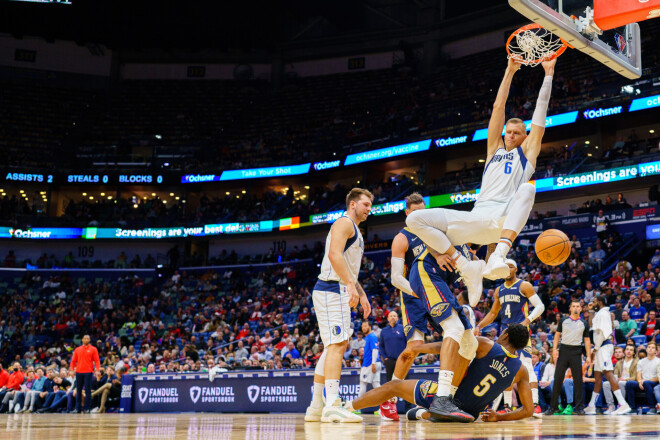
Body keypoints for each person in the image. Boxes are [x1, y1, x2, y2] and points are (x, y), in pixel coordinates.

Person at [406, 57, 557, 303]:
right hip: (477, 218)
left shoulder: (527, 153)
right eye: (508, 132)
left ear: (524, 136)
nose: (510, 136)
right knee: (415, 220)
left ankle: (499, 254)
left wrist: (548, 74)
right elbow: (498, 107)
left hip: (504, 220)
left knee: (528, 190)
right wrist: (509, 70)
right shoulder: (492, 152)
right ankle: (466, 266)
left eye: (516, 133)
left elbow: (540, 112)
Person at [343, 324, 534, 423]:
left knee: (393, 387)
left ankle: (346, 408)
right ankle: (423, 414)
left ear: (505, 336)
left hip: (448, 400)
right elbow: (528, 411)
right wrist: (498, 417)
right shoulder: (521, 371)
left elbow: (447, 347)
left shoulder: (487, 345)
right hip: (470, 416)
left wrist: (419, 349)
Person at [305, 188, 373, 423]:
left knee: (333, 346)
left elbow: (349, 268)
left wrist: (360, 293)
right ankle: (332, 403)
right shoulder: (344, 224)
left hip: (338, 287)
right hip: (332, 288)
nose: (369, 209)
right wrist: (350, 286)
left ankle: (316, 406)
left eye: (371, 206)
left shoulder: (355, 230)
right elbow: (334, 255)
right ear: (352, 204)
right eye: (365, 204)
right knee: (337, 344)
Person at [406, 244, 480, 422]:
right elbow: (426, 228)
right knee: (454, 327)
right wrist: (436, 252)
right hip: (426, 270)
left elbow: (475, 295)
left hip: (437, 279)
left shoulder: (475, 257)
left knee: (470, 344)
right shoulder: (463, 226)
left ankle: (448, 399)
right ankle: (442, 398)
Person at [475, 260, 545, 416]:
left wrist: (526, 321)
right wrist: (479, 326)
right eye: (505, 267)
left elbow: (540, 306)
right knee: (504, 368)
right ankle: (507, 406)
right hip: (505, 333)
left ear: (516, 269)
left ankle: (535, 405)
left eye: (511, 266)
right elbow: (493, 314)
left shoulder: (524, 285)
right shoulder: (499, 290)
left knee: (527, 366)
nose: (507, 269)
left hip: (520, 332)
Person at [585, 296, 632, 415]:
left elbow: (603, 334)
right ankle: (591, 406)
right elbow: (592, 325)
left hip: (604, 346)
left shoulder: (604, 313)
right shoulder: (600, 313)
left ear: (600, 302)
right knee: (597, 378)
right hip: (601, 347)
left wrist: (595, 349)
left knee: (608, 373)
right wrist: (590, 311)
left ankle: (623, 404)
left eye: (594, 302)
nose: (592, 303)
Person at [545, 299, 591, 415]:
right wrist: (555, 350)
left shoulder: (584, 323)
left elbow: (587, 340)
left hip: (576, 351)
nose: (576, 308)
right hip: (564, 350)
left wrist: (589, 356)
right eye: (574, 306)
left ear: (580, 309)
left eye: (578, 306)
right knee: (557, 379)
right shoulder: (563, 320)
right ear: (570, 308)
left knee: (578, 381)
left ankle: (579, 407)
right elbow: (557, 336)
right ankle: (553, 407)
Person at [378, 311, 406, 420]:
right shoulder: (384, 331)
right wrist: (384, 357)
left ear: (397, 318)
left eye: (394, 315)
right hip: (389, 361)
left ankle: (408, 408)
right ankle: (390, 408)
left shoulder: (403, 328)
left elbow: (408, 343)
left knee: (404, 383)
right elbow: (381, 346)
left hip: (402, 361)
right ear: (388, 318)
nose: (393, 317)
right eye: (391, 316)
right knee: (390, 384)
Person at [624, 341, 659, 413]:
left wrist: (645, 381)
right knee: (629, 383)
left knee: (647, 383)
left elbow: (658, 377)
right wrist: (640, 381)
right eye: (649, 347)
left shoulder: (658, 361)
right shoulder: (641, 361)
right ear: (646, 349)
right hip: (643, 382)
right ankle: (632, 408)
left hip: (654, 382)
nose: (650, 349)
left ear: (656, 351)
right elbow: (638, 374)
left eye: (653, 348)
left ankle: (652, 407)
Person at [602, 344, 638, 414]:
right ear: (624, 351)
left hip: (629, 381)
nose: (628, 351)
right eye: (627, 349)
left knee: (621, 383)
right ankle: (611, 406)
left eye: (631, 350)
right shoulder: (619, 363)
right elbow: (615, 375)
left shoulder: (636, 362)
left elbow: (635, 377)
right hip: (619, 380)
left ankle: (621, 405)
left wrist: (625, 379)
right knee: (605, 384)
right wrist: (616, 379)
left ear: (634, 352)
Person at [70, 334, 101, 413]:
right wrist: (71, 370)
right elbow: (73, 361)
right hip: (79, 372)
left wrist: (97, 369)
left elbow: (97, 360)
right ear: (82, 340)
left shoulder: (93, 349)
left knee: (87, 391)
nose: (86, 339)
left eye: (88, 338)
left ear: (89, 340)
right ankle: (78, 408)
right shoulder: (77, 349)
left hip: (88, 372)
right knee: (78, 390)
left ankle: (87, 408)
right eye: (85, 338)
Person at [357, 321, 381, 400]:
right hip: (370, 363)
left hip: (370, 363)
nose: (364, 328)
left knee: (363, 383)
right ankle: (386, 405)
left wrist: (373, 364)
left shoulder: (372, 337)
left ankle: (357, 406)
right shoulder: (368, 337)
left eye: (365, 326)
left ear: (370, 327)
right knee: (376, 384)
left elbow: (375, 350)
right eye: (362, 326)